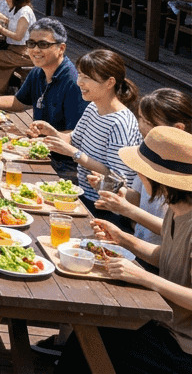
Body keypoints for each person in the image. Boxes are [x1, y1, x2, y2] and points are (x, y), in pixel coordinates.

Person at [55, 127, 192, 374]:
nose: (138, 175)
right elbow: (167, 257)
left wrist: (144, 277)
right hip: (164, 324)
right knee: (89, 330)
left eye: (143, 170)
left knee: (91, 342)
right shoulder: (177, 209)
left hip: (182, 348)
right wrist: (123, 239)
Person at [31, 49, 141, 227]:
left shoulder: (121, 123)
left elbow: (116, 180)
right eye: (80, 75)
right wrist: (53, 133)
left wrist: (75, 154)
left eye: (87, 78)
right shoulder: (92, 108)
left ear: (109, 82)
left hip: (107, 210)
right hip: (84, 195)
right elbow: (75, 139)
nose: (79, 82)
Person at [0, 18, 89, 177]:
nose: (36, 50)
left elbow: (76, 135)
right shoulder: (38, 71)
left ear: (61, 48)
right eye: (31, 43)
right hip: (37, 152)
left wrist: (41, 141)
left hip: (62, 165)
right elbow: (19, 102)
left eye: (43, 44)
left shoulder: (73, 82)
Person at [90, 89, 192, 245]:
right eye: (141, 119)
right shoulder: (150, 151)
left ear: (178, 128)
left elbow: (174, 230)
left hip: (158, 254)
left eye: (149, 123)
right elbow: (142, 197)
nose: (140, 126)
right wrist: (113, 187)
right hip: (141, 241)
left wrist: (126, 209)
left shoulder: (180, 169)